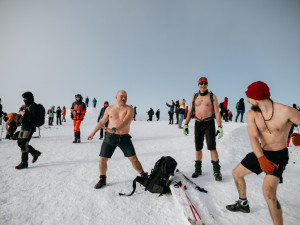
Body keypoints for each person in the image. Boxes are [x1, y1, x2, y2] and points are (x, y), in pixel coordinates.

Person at [226, 81, 300, 225]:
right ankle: (243, 203)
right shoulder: (252, 114)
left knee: (268, 193)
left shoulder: (286, 111)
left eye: (249, 97)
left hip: (278, 155)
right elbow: (253, 136)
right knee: (236, 173)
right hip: (261, 152)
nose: (247, 100)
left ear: (258, 98)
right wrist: (260, 158)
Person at [88, 90, 146, 189]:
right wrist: (93, 132)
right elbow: (102, 121)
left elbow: (125, 122)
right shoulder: (109, 109)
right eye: (122, 96)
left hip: (124, 138)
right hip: (110, 137)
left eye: (125, 96)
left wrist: (115, 129)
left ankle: (144, 177)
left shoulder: (130, 109)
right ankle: (102, 179)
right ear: (116, 97)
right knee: (102, 159)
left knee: (134, 159)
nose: (124, 98)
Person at [183, 77, 223, 181]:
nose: (203, 85)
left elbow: (217, 112)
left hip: (209, 123)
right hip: (198, 124)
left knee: (212, 147)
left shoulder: (212, 96)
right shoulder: (194, 96)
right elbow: (190, 111)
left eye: (205, 83)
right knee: (198, 147)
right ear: (198, 84)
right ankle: (198, 169)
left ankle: (217, 171)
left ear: (207, 84)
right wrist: (186, 124)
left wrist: (220, 126)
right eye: (201, 83)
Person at [15, 92, 42, 169]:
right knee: (19, 143)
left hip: (30, 128)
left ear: (29, 98)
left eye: (25, 98)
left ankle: (24, 163)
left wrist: (24, 114)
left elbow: (33, 119)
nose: (24, 100)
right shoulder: (24, 106)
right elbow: (22, 116)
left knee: (24, 144)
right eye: (23, 98)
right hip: (23, 127)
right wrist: (19, 118)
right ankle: (35, 153)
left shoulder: (34, 106)